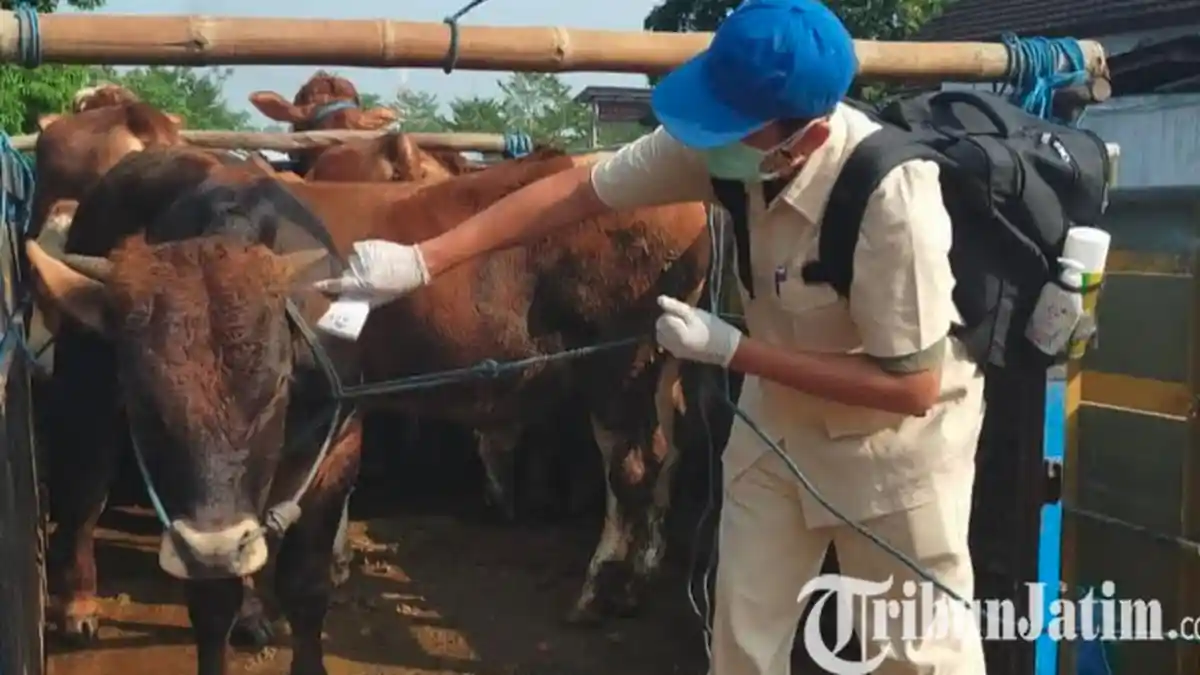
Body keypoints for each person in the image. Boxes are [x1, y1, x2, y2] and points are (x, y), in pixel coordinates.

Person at [316, 0, 988, 672]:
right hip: (778, 429)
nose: (708, 137)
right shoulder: (730, 147)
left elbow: (913, 386)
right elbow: (575, 195)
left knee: (916, 653)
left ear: (803, 140)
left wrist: (733, 350)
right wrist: (425, 259)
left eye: (729, 125)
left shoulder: (892, 199)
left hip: (892, 457)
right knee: (744, 637)